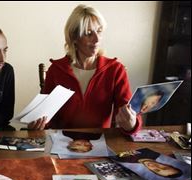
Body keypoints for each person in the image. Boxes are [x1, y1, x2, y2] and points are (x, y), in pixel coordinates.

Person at [30, 4, 142, 132]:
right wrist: (38, 124)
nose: (97, 39)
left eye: (99, 31)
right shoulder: (56, 71)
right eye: (89, 33)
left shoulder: (115, 70)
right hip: (62, 143)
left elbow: (129, 112)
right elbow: (46, 116)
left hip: (101, 142)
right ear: (74, 37)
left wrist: (132, 124)